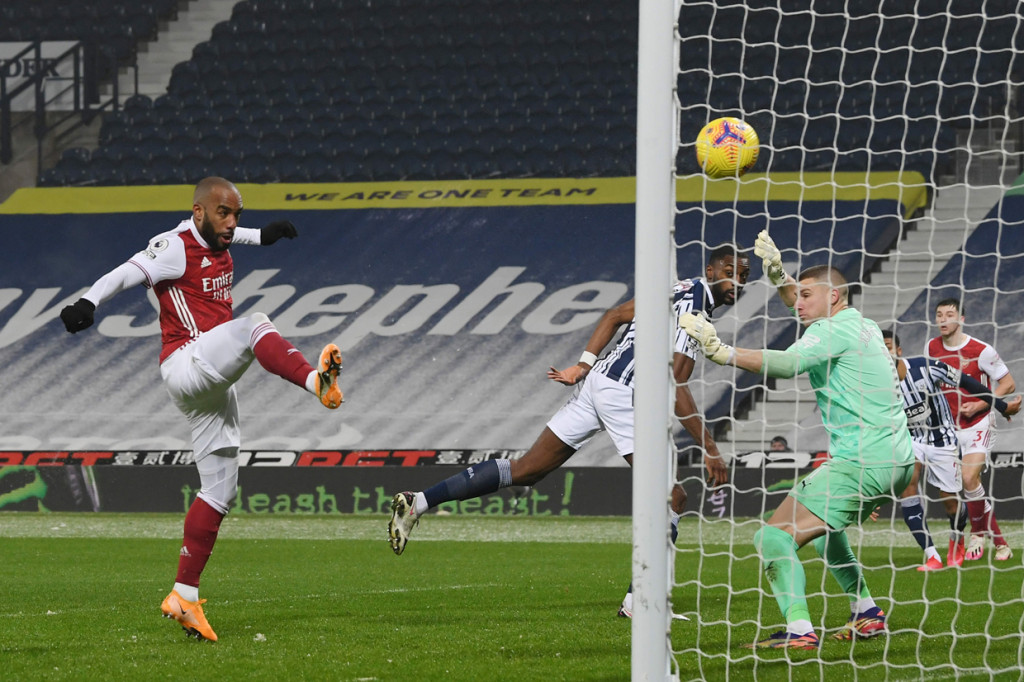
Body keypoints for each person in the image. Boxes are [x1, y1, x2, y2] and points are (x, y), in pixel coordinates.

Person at [387, 244, 749, 618]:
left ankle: (418, 502)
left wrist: (583, 365)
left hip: (598, 383)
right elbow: (675, 382)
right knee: (672, 498)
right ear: (710, 271)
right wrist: (709, 447)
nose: (736, 281)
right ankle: (640, 601)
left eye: (743, 276)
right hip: (623, 392)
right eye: (730, 270)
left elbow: (615, 316)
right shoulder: (694, 309)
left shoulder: (677, 287)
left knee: (526, 469)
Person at [59, 177, 344, 642]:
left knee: (220, 490)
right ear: (198, 212)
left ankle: (184, 597)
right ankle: (317, 381)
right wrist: (89, 300)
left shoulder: (221, 235)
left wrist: (263, 236)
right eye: (223, 214)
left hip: (209, 379)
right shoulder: (173, 246)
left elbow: (233, 234)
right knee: (254, 325)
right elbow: (126, 271)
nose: (232, 223)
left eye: (237, 214)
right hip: (187, 361)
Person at [678, 230, 914, 650]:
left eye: (807, 295)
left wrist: (720, 352)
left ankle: (800, 631)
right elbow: (805, 301)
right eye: (797, 295)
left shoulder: (831, 331)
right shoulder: (864, 325)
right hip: (895, 460)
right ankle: (867, 613)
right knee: (825, 530)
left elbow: (788, 364)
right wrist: (779, 277)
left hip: (861, 460)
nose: (798, 303)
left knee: (772, 537)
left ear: (835, 298)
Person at [882, 330, 1020, 571]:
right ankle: (931, 555)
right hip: (911, 439)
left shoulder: (925, 367)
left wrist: (1001, 406)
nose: (883, 352)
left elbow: (966, 381)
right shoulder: (877, 386)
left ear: (898, 351)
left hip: (943, 439)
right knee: (908, 481)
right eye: (878, 349)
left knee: (952, 505)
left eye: (888, 346)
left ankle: (957, 538)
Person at [927, 298, 1016, 561]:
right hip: (947, 425)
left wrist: (979, 404)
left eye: (949, 314)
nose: (943, 320)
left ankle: (979, 533)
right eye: (939, 315)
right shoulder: (932, 347)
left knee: (968, 480)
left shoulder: (981, 349)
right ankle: (1000, 543)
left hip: (978, 422)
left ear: (961, 319)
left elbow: (1008, 384)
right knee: (967, 485)